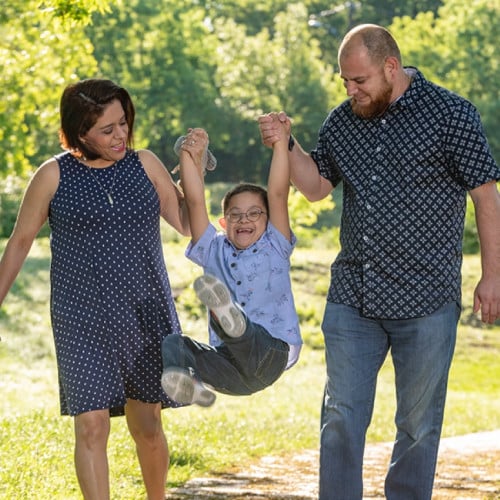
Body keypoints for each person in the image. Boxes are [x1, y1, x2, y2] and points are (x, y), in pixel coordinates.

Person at [258, 23, 500, 500]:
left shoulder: (451, 114)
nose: (351, 91)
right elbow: (314, 187)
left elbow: (486, 198)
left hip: (427, 297)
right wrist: (286, 143)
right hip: (354, 296)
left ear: (391, 67)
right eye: (344, 81)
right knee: (341, 417)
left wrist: (492, 276)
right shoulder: (344, 120)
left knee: (416, 427)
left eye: (360, 81)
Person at [0, 79, 191, 500]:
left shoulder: (145, 164)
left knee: (147, 425)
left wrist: (192, 168)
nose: (120, 135)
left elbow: (190, 225)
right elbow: (19, 242)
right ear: (80, 131)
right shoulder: (52, 175)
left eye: (124, 122)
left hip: (145, 313)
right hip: (79, 317)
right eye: (107, 129)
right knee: (91, 424)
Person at [160, 125, 302, 407]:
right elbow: (196, 201)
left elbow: (277, 193)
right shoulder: (213, 248)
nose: (244, 220)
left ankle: (228, 318)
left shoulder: (276, 244)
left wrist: (279, 143)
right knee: (173, 344)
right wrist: (191, 154)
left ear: (269, 220)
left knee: (234, 324)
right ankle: (190, 385)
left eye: (254, 214)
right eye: (235, 215)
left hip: (271, 353)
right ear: (224, 224)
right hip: (233, 372)